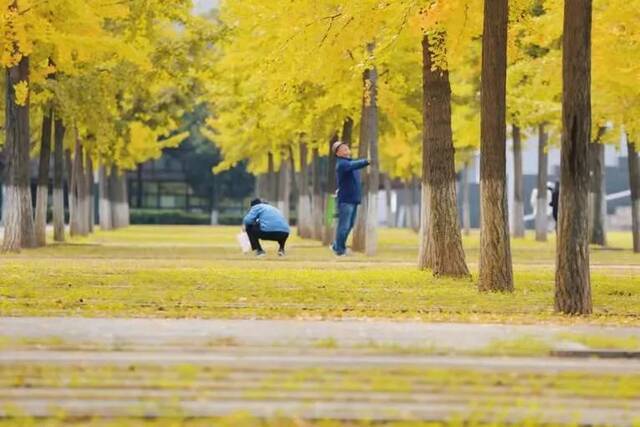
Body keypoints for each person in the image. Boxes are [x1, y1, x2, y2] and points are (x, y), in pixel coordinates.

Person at [331, 140, 370, 256]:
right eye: (341, 148)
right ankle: (339, 250)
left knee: (349, 225)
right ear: (337, 153)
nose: (345, 149)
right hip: (346, 200)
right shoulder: (342, 164)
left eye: (345, 147)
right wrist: (366, 161)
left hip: (353, 199)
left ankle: (336, 245)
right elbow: (354, 165)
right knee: (344, 226)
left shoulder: (349, 162)